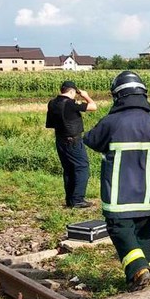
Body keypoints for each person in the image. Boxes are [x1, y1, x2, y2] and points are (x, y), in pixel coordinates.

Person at [84, 71, 150, 292]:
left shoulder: (111, 122)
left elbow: (91, 140)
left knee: (122, 233)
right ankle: (138, 279)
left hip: (118, 200)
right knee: (143, 236)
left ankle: (139, 269)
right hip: (149, 199)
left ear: (118, 96)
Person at [46, 80, 97, 208]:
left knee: (68, 170)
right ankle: (78, 199)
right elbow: (93, 106)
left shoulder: (52, 103)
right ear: (72, 91)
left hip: (60, 140)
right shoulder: (70, 103)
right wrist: (85, 95)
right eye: (75, 93)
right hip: (73, 141)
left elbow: (50, 124)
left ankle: (70, 200)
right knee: (82, 167)